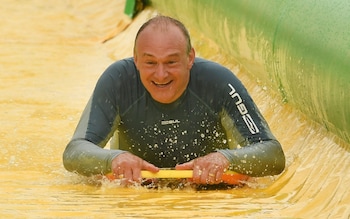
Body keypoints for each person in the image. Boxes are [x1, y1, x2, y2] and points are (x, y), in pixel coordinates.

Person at [63, 15, 285, 185]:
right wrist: (114, 159)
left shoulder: (217, 81)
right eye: (150, 63)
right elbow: (75, 152)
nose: (161, 75)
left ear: (190, 58)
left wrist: (225, 158)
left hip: (210, 196)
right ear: (136, 59)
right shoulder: (118, 80)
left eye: (171, 62)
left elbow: (273, 154)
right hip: (137, 195)